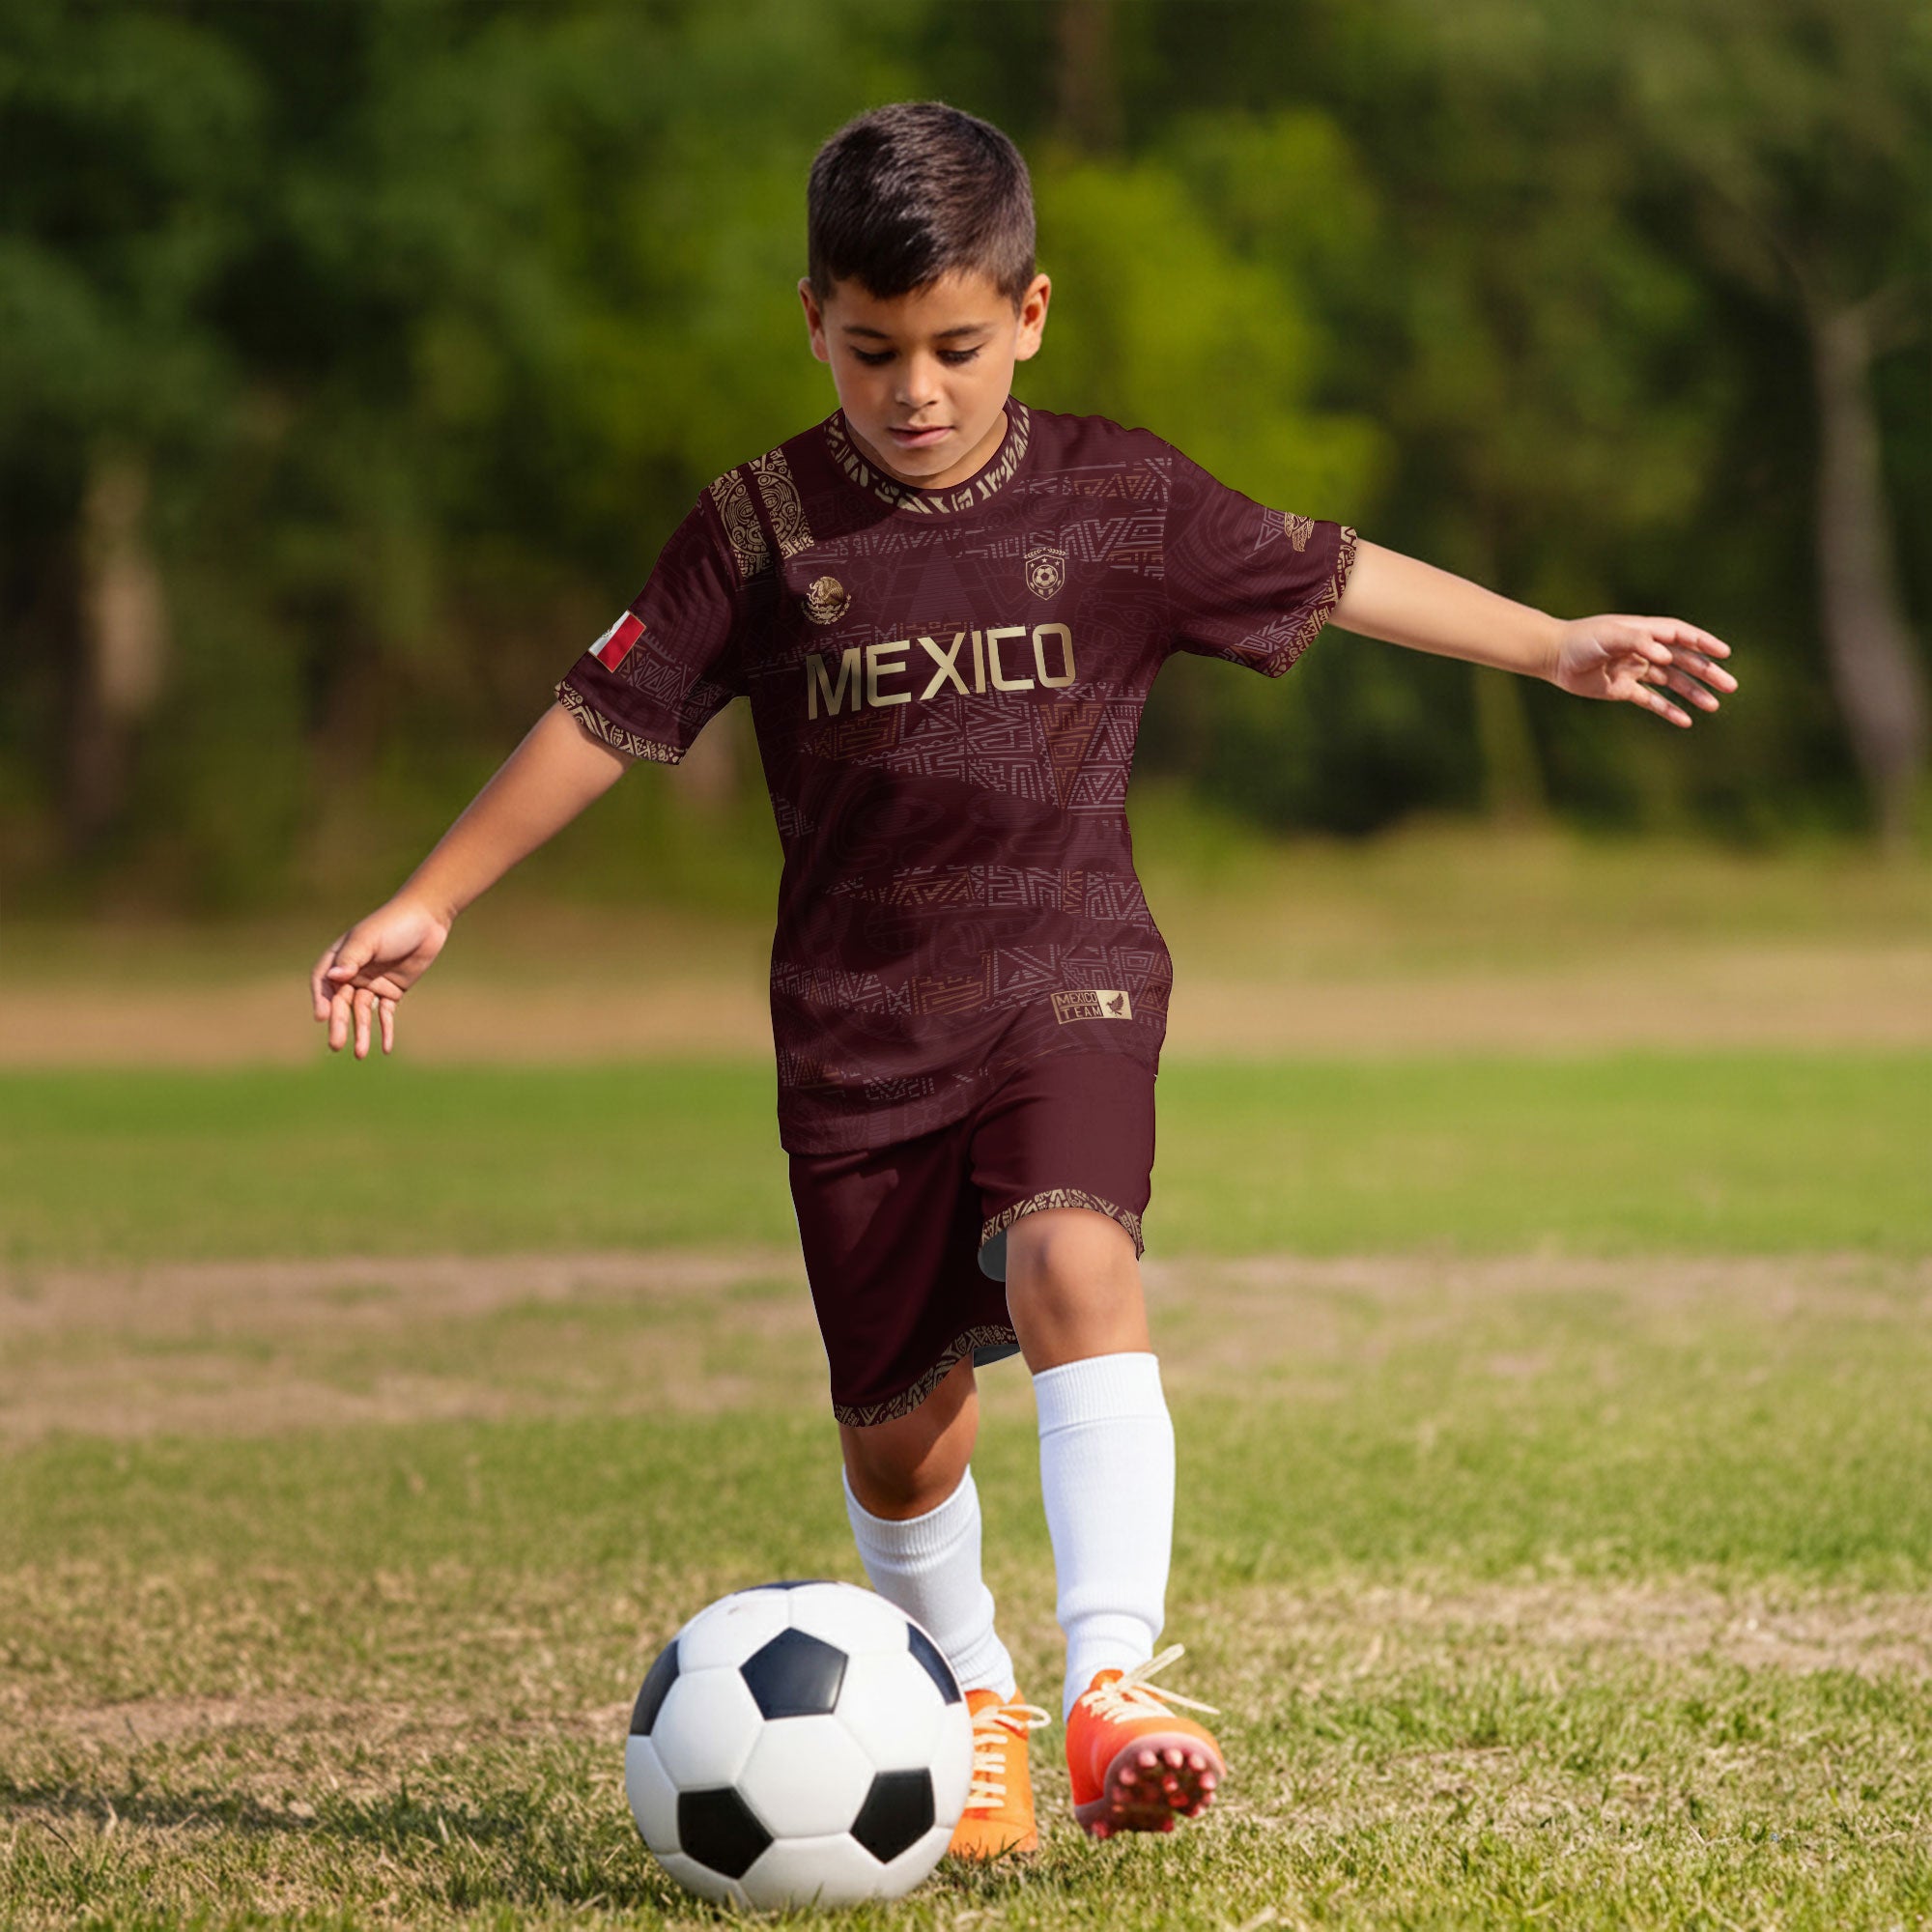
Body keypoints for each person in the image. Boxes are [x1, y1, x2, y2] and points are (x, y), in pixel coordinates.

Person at [310, 100, 1736, 1859]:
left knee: (1078, 1253)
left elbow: (1340, 570)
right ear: (814, 325)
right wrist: (431, 895)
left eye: (959, 349)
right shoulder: (755, 528)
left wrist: (1555, 643)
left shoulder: (1121, 497)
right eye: (874, 350)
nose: (918, 390)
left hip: (1069, 980)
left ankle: (1110, 1686)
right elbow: (608, 716)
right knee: (904, 1442)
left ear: (1032, 317)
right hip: (852, 1033)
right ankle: (972, 1691)